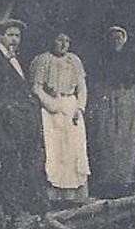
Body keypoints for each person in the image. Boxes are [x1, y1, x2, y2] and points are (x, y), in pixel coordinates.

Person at [0, 18, 46, 217]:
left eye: (18, 36)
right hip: (1, 126)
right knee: (7, 170)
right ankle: (11, 216)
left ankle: (23, 214)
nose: (15, 40)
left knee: (19, 169)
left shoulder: (12, 59)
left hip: (16, 126)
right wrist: (11, 109)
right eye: (10, 35)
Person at [87, 25, 135, 200]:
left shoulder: (134, 57)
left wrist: (131, 92)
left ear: (125, 39)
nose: (116, 41)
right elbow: (95, 79)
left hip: (127, 102)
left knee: (126, 142)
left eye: (119, 37)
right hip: (106, 101)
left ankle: (125, 184)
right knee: (105, 139)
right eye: (112, 38)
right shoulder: (101, 58)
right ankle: (105, 185)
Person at [30, 31, 91, 205]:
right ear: (51, 41)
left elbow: (82, 88)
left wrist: (80, 107)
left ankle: (75, 195)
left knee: (74, 149)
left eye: (67, 40)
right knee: (55, 150)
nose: (63, 44)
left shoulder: (74, 61)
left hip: (71, 107)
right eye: (59, 40)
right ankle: (54, 195)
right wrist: (51, 104)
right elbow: (36, 87)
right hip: (50, 108)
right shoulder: (43, 60)